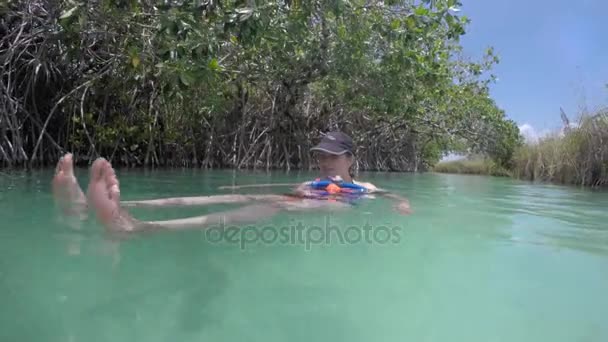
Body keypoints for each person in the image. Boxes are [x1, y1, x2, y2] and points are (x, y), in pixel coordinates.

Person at [52, 131, 411, 234]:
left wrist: (401, 203)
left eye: (332, 155)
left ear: (350, 159)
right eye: (321, 154)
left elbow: (390, 195)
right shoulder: (311, 180)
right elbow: (296, 190)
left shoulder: (366, 190)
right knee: (216, 196)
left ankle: (136, 227)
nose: (324, 160)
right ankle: (85, 206)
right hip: (301, 199)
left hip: (316, 211)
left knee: (270, 205)